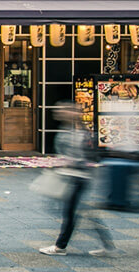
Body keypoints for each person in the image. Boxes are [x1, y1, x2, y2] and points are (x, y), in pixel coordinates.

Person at [40, 103, 115, 257]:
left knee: (72, 213)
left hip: (78, 178)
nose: (59, 112)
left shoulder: (80, 134)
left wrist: (68, 162)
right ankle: (107, 246)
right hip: (71, 177)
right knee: (80, 212)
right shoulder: (67, 131)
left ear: (74, 113)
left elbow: (91, 158)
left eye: (64, 110)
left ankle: (60, 246)